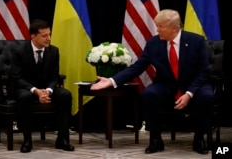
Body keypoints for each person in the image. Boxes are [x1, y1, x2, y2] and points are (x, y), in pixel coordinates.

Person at [90, 9, 214, 155]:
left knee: (207, 96)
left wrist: (189, 93)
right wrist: (112, 80)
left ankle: (199, 138)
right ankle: (155, 139)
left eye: (161, 26)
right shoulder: (153, 43)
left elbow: (203, 72)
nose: (157, 29)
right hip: (166, 85)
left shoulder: (196, 41)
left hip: (194, 84)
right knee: (149, 94)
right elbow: (137, 67)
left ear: (174, 29)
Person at [11, 19, 75, 153]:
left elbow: (54, 77)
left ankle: (62, 139)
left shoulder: (54, 51)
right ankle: (27, 140)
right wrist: (36, 91)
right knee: (24, 97)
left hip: (46, 88)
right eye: (44, 35)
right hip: (26, 89)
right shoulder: (19, 51)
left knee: (65, 95)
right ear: (33, 36)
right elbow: (17, 78)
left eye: (49, 34)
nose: (49, 38)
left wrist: (48, 91)